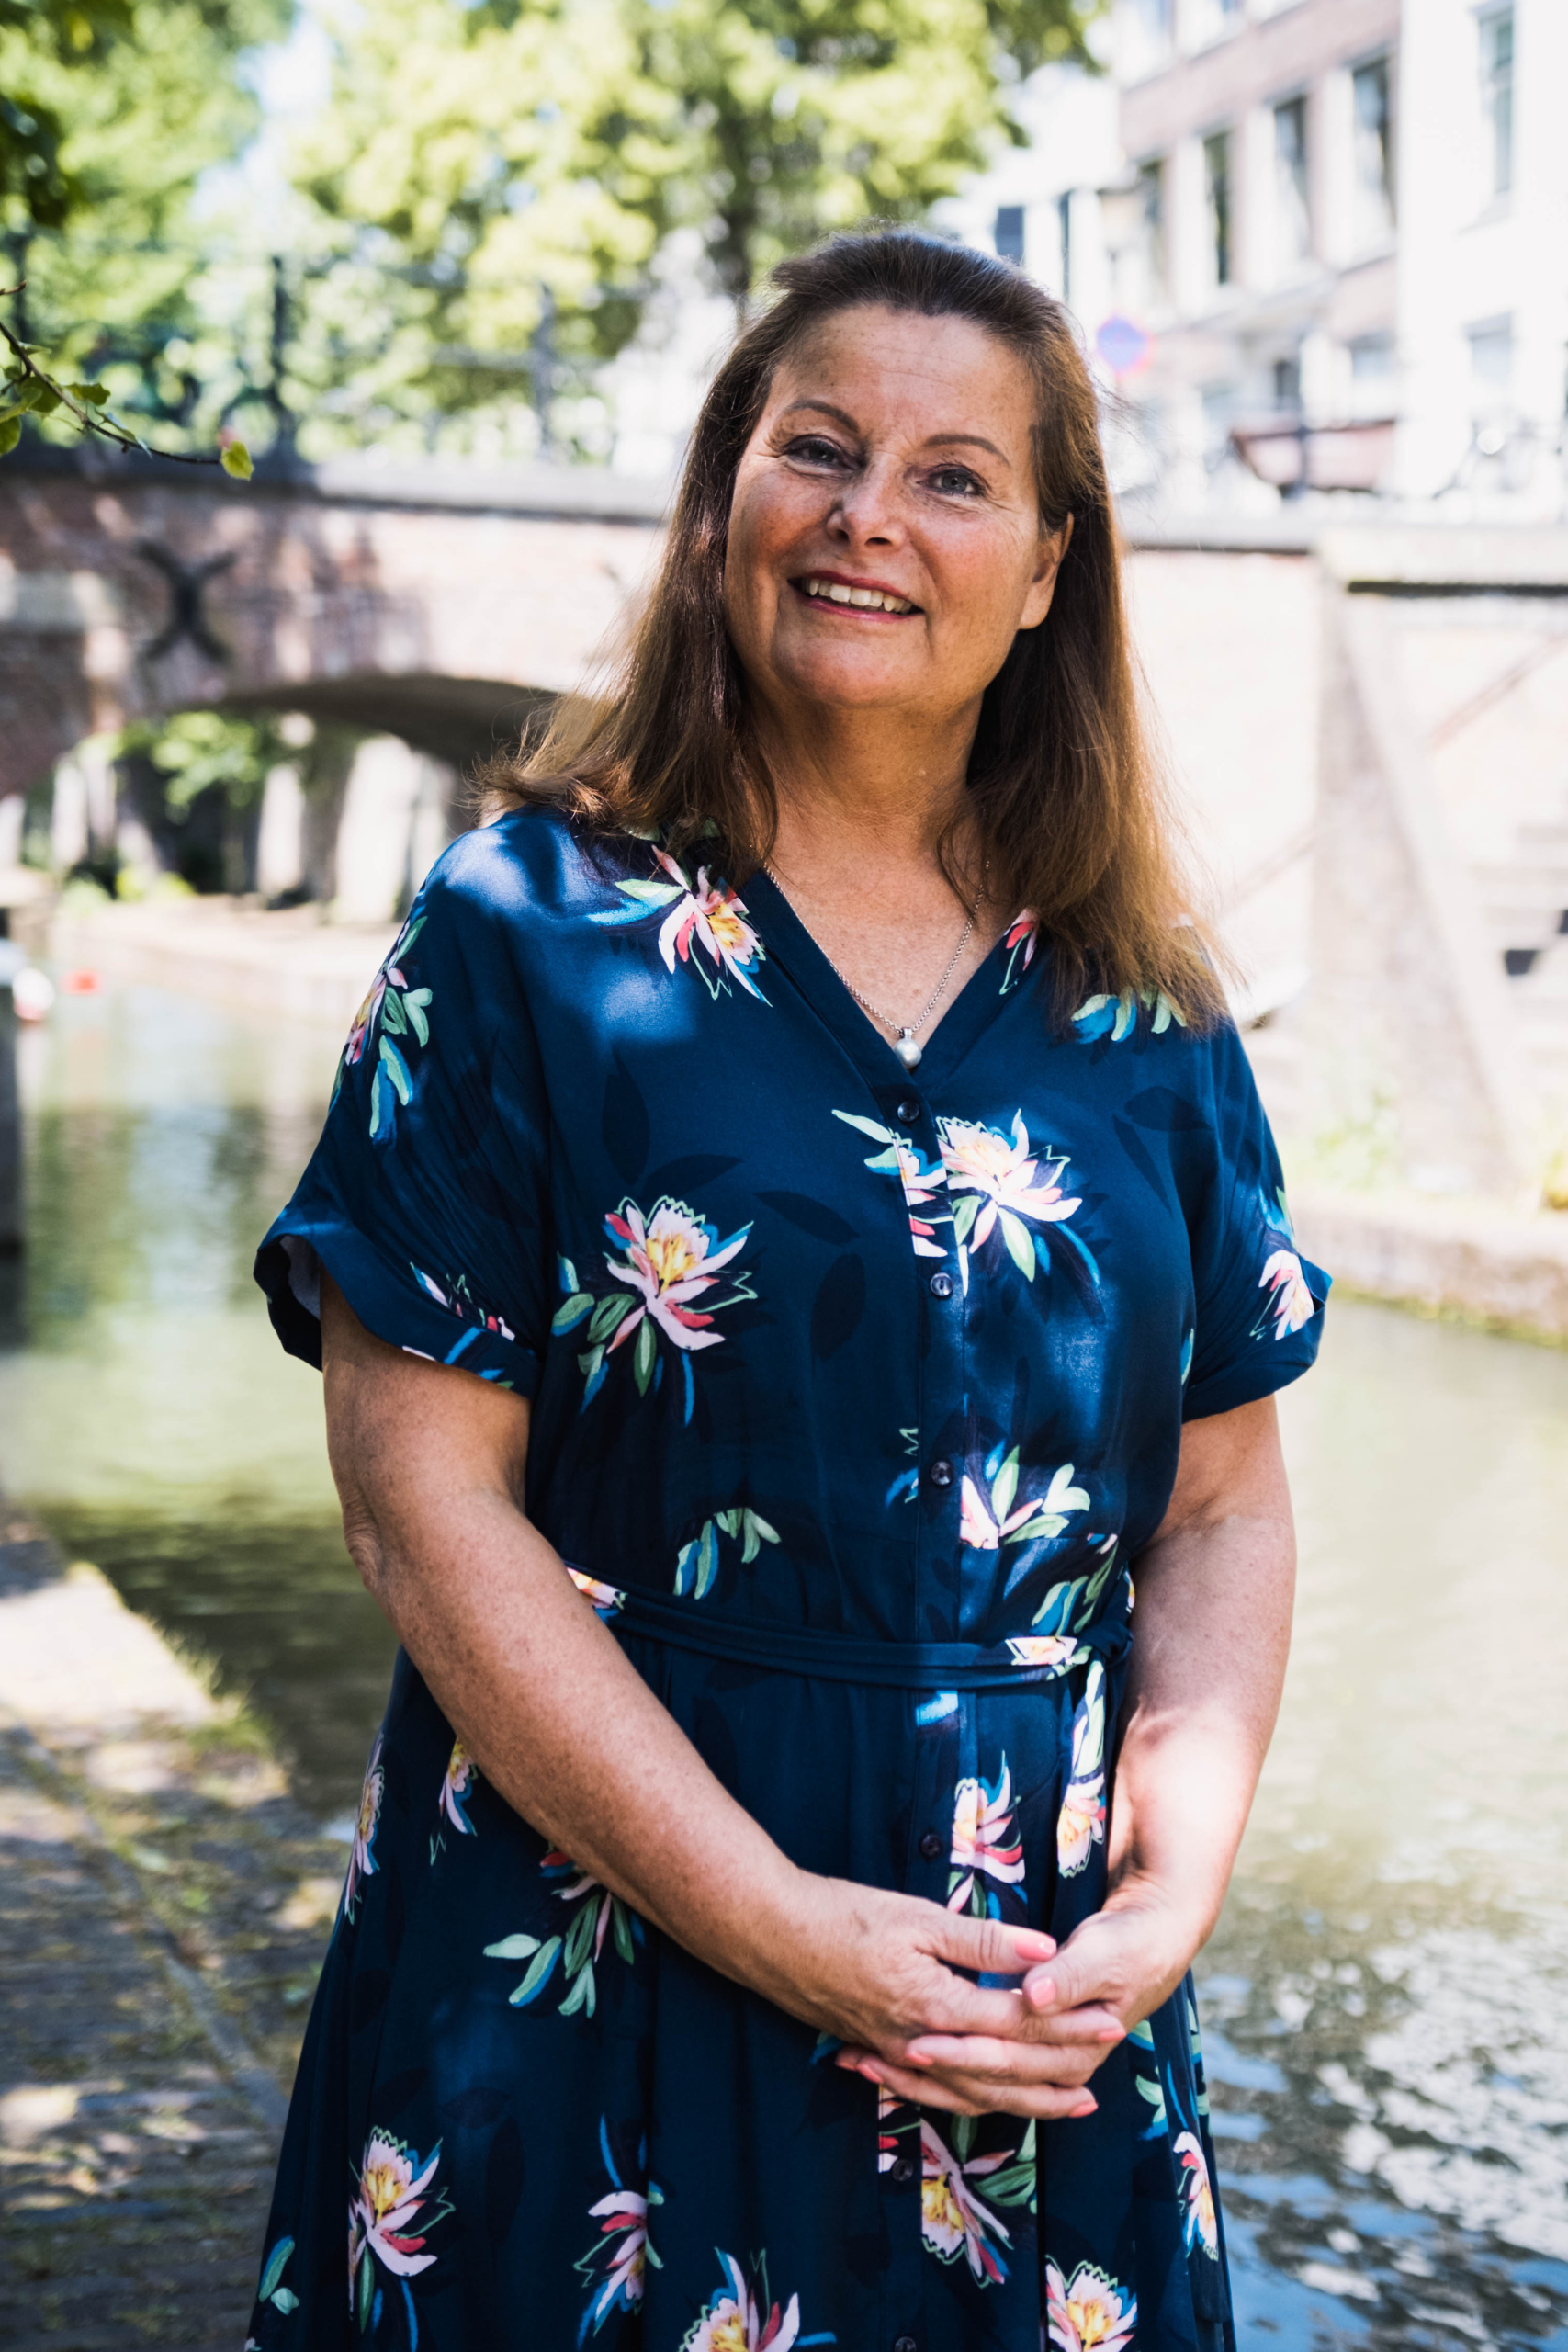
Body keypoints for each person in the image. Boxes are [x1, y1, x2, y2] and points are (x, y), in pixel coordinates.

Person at [246, 230, 1326, 2352]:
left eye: (953, 476)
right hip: (589, 1949)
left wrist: (1164, 1893)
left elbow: (1218, 1500)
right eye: (815, 448)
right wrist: (767, 1915)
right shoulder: (519, 930)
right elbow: (419, 1504)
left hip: (1021, 2016)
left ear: (1044, 567)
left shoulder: (1144, 1005)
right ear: (721, 496)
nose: (868, 517)